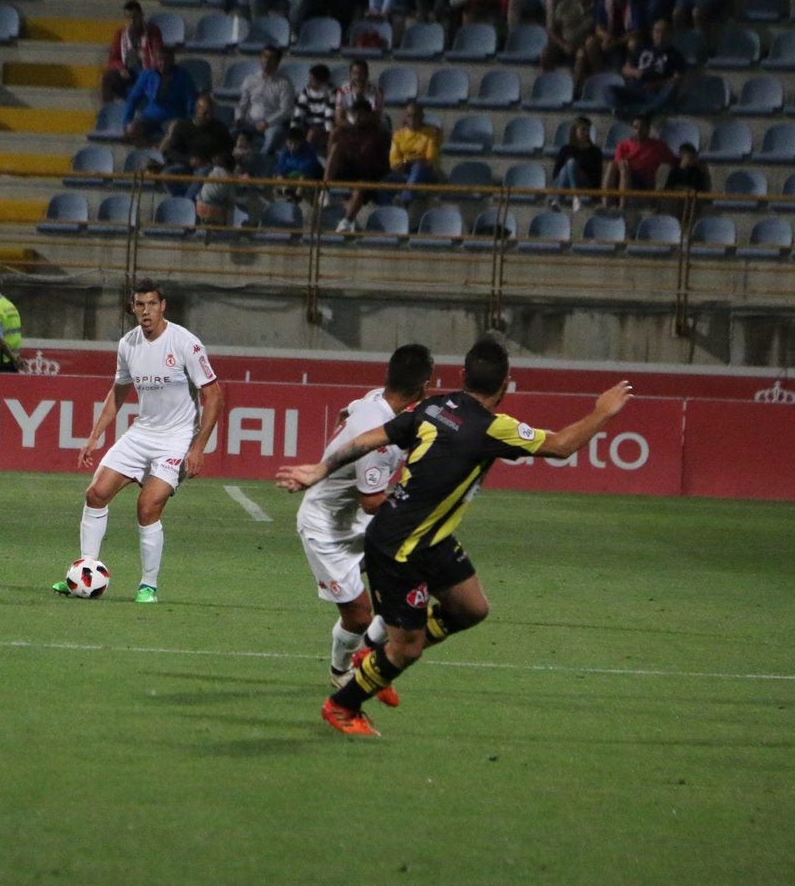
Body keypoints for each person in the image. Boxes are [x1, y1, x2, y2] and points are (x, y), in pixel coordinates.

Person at [276, 339, 634, 736]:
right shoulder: (493, 428)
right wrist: (603, 412)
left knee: (471, 609)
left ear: (463, 376)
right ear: (507, 385)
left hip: (431, 537)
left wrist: (320, 468)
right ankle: (343, 705)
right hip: (400, 547)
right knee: (406, 648)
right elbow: (563, 445)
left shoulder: (434, 407)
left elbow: (372, 437)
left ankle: (373, 658)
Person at [51, 279, 224, 605]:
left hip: (177, 439)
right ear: (132, 308)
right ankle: (85, 571)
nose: (146, 311)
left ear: (163, 306)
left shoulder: (186, 343)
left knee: (147, 506)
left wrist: (198, 447)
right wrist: (95, 435)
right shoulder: (128, 345)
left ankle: (148, 585)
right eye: (139, 305)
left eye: (152, 304)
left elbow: (213, 395)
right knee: (96, 492)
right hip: (142, 433)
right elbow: (118, 392)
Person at [296, 343, 433, 691]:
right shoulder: (380, 442)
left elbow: (348, 411)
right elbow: (372, 501)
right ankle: (341, 671)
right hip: (327, 528)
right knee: (358, 615)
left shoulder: (374, 400)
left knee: (414, 570)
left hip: (355, 519)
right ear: (424, 387)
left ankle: (369, 656)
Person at [329, 104, 393, 232]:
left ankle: (346, 222)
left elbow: (383, 161)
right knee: (335, 150)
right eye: (355, 114)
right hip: (350, 171)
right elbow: (340, 150)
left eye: (361, 114)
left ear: (368, 115)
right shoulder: (348, 132)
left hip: (371, 175)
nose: (358, 117)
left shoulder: (379, 134)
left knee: (359, 188)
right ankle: (324, 189)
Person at [158, 94, 233, 199]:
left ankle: (186, 204)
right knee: (166, 175)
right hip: (186, 164)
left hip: (208, 165)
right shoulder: (183, 126)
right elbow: (172, 151)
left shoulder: (219, 128)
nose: (209, 117)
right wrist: (189, 160)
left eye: (211, 113)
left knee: (202, 173)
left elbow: (228, 147)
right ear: (197, 109)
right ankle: (186, 201)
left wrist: (220, 157)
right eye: (205, 113)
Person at [611, 18, 685, 117]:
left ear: (670, 34)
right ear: (652, 33)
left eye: (664, 32)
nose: (660, 35)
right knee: (609, 90)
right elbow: (625, 69)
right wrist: (636, 72)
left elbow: (677, 79)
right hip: (636, 90)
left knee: (671, 88)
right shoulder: (642, 49)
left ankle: (649, 111)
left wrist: (656, 84)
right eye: (657, 31)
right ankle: (621, 112)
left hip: (656, 94)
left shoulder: (676, 55)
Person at [122, 47, 196, 145]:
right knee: (132, 129)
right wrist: (127, 122)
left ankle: (163, 153)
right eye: (160, 60)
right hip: (150, 116)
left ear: (172, 60)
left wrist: (189, 121)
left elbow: (191, 99)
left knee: (175, 132)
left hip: (173, 117)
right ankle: (144, 151)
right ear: (155, 60)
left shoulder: (182, 75)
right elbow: (133, 99)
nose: (163, 63)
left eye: (166, 60)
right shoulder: (147, 75)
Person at [232, 46, 295, 155]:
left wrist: (267, 123)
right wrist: (239, 117)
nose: (267, 60)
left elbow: (286, 110)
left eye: (271, 58)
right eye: (265, 56)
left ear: (277, 62)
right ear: (260, 58)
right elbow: (242, 104)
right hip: (250, 121)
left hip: (272, 124)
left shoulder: (284, 83)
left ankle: (261, 164)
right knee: (231, 133)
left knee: (273, 135)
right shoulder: (250, 80)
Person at [603, 115, 675, 208]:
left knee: (625, 169)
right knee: (612, 165)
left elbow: (673, 160)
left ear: (648, 129)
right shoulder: (623, 145)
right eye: (636, 128)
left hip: (643, 181)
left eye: (642, 127)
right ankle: (606, 203)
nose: (639, 131)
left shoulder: (658, 146)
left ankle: (622, 206)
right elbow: (618, 163)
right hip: (624, 176)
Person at [378, 100, 441, 205]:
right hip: (405, 173)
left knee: (418, 167)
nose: (412, 119)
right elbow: (395, 164)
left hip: (426, 174)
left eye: (415, 116)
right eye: (409, 116)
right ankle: (389, 209)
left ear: (421, 117)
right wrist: (407, 161)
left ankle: (405, 199)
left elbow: (428, 161)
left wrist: (407, 161)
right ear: (405, 118)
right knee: (384, 182)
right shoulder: (398, 135)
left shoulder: (431, 133)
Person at [101, 0, 163, 104]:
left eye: (135, 17)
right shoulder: (120, 34)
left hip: (147, 72)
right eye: (128, 18)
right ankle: (109, 111)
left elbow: (159, 56)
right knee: (107, 77)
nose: (132, 21)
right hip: (128, 73)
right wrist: (121, 68)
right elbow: (112, 60)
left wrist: (143, 56)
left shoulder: (152, 32)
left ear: (142, 16)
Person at [541, 0, 600, 78]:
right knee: (545, 53)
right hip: (563, 42)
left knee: (581, 56)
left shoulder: (599, 7)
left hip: (583, 45)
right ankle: (548, 82)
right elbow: (552, 30)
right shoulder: (565, 3)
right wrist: (563, 45)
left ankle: (574, 89)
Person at [549, 117, 603, 211]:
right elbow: (556, 173)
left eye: (587, 131)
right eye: (583, 130)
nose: (586, 133)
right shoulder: (566, 149)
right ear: (575, 131)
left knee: (571, 163)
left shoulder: (595, 151)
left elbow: (596, 174)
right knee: (568, 166)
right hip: (564, 182)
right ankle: (575, 197)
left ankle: (561, 199)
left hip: (585, 182)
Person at [290, 63, 335, 153]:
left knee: (312, 133)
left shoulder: (331, 93)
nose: (309, 82)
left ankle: (306, 154)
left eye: (312, 80)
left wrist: (328, 133)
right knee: (293, 134)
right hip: (307, 124)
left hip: (322, 127)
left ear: (321, 81)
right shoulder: (306, 91)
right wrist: (294, 128)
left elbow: (329, 117)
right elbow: (299, 111)